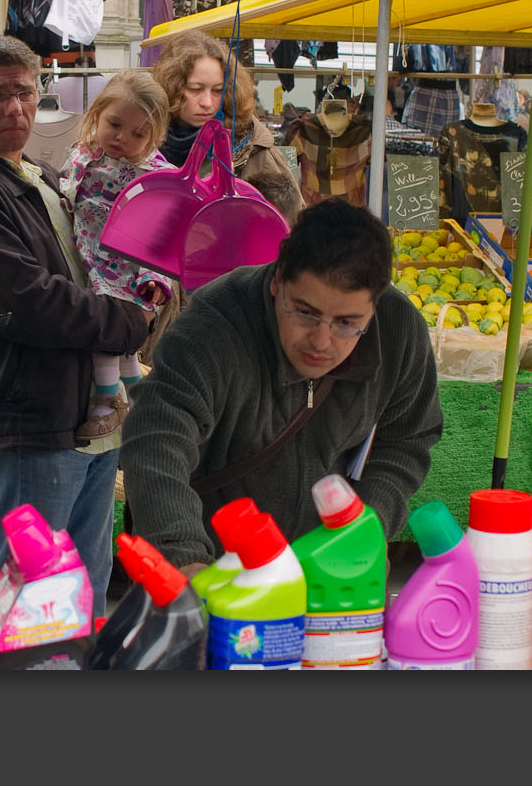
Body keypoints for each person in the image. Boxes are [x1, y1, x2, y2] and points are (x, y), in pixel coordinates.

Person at [0, 35, 154, 617]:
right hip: (30, 419)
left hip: (89, 418)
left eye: (24, 93)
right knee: (31, 598)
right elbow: (32, 302)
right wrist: (131, 322)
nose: (14, 108)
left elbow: (93, 266)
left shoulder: (43, 175)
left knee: (87, 589)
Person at [119, 200, 444, 575]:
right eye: (305, 312)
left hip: (321, 572)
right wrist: (182, 557)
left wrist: (368, 524)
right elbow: (157, 437)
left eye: (347, 323)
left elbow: (408, 439)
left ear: (373, 307)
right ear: (277, 281)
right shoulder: (214, 325)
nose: (321, 341)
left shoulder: (399, 328)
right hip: (216, 567)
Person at [58, 71, 175, 439]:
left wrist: (154, 278)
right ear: (97, 114)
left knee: (109, 336)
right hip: (87, 257)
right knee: (120, 345)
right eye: (114, 124)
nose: (123, 138)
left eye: (138, 133)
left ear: (154, 137)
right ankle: (137, 399)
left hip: (126, 268)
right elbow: (68, 188)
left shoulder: (156, 176)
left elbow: (164, 236)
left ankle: (108, 403)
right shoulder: (84, 154)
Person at [151, 31, 303, 222]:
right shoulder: (141, 142)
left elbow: (291, 229)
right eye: (195, 89)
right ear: (171, 87)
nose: (207, 102)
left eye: (217, 90)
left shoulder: (256, 149)